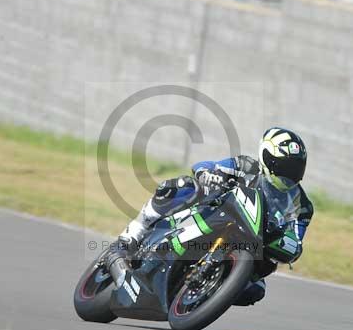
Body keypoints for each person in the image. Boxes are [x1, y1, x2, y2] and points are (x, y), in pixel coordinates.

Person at [104, 127, 314, 306]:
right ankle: (131, 236)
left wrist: (288, 244)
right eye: (284, 167)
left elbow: (296, 241)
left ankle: (205, 294)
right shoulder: (246, 167)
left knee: (255, 290)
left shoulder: (302, 207)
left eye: (295, 169)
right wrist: (210, 176)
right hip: (213, 215)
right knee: (181, 187)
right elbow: (204, 166)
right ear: (267, 158)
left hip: (255, 247)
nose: (289, 174)